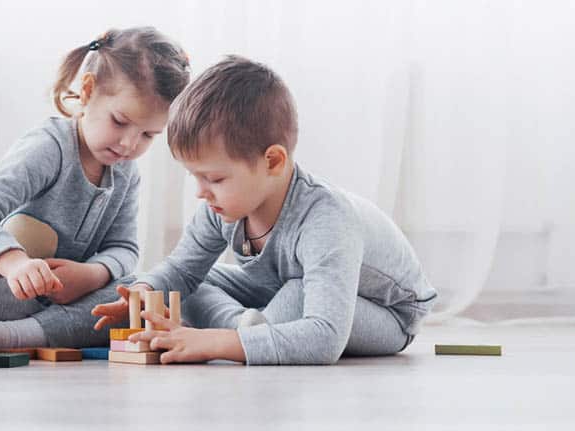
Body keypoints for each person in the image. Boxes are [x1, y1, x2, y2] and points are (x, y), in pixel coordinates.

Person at [93, 56, 437, 365]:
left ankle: (246, 333)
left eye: (214, 178)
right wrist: (144, 290)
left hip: (384, 314)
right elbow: (183, 271)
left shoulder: (326, 218)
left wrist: (215, 343)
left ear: (272, 161)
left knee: (298, 294)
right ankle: (255, 329)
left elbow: (326, 338)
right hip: (280, 290)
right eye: (194, 177)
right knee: (188, 285)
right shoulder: (222, 205)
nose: (201, 192)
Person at [0, 27, 190, 358]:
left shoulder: (126, 172)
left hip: (66, 301)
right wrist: (15, 264)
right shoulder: (49, 147)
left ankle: (9, 335)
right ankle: (28, 331)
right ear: (87, 92)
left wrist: (91, 275)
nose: (129, 144)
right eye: (119, 122)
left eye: (148, 135)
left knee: (141, 292)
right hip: (2, 292)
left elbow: (124, 248)